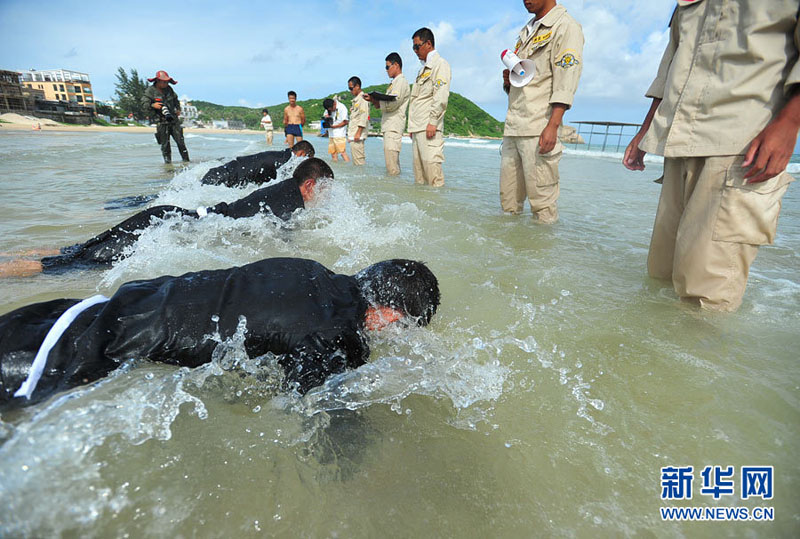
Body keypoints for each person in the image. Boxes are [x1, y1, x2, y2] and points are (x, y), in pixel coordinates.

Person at [0, 257, 440, 408]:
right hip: (52, 358)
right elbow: (315, 410)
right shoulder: (340, 335)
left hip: (71, 312)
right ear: (390, 317)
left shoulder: (308, 270)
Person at [622, 0, 798, 312]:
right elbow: (672, 65)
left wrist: (790, 121)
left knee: (706, 297)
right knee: (660, 276)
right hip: (678, 138)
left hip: (742, 141)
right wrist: (645, 130)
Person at [0, 159, 334, 278]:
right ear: (309, 184)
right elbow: (283, 248)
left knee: (73, 254)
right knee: (59, 269)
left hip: (166, 219)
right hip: (159, 228)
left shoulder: (282, 191)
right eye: (325, 190)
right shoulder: (289, 202)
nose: (326, 198)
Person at [500, 0, 583, 224]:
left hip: (539, 128)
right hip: (514, 125)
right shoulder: (526, 32)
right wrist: (508, 81)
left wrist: (553, 125)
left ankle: (542, 256)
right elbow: (528, 81)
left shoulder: (565, 26)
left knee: (543, 208)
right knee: (508, 205)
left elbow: (566, 79)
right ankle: (509, 256)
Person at [408, 28, 451, 187]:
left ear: (428, 43)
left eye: (417, 46)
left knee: (433, 178)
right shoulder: (422, 70)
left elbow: (441, 95)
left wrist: (433, 121)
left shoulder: (440, 64)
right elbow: (417, 100)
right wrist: (412, 128)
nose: (415, 51)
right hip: (418, 128)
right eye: (413, 48)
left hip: (429, 127)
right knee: (419, 180)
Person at [201, 140, 315, 187]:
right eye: (306, 159)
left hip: (218, 173)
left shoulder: (282, 155)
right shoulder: (286, 163)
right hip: (221, 179)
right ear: (301, 154)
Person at [370, 52, 410, 176]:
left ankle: (395, 190)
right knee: (392, 163)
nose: (386, 70)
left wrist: (377, 100)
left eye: (387, 67)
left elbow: (393, 103)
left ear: (396, 65)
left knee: (392, 167)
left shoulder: (401, 82)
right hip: (389, 126)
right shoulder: (394, 83)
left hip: (393, 126)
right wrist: (374, 100)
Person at [142, 70, 190, 164]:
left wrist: (178, 108)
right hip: (161, 121)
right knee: (165, 146)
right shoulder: (150, 91)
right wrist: (153, 105)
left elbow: (176, 100)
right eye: (163, 81)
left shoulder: (169, 89)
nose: (165, 83)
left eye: (167, 82)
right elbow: (144, 104)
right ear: (158, 81)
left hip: (173, 120)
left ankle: (186, 162)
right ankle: (168, 166)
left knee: (181, 143)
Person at [347, 77, 370, 166]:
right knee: (356, 162)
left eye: (351, 88)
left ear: (357, 86)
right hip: (354, 135)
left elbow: (364, 116)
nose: (350, 91)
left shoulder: (363, 99)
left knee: (359, 162)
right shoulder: (357, 100)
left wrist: (358, 133)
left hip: (357, 135)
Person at [323, 97, 350, 162]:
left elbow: (345, 122)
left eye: (332, 109)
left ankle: (349, 166)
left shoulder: (342, 108)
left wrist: (334, 126)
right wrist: (326, 118)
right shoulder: (328, 107)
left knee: (342, 152)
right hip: (331, 134)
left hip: (339, 133)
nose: (331, 111)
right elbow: (325, 116)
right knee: (333, 153)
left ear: (334, 104)